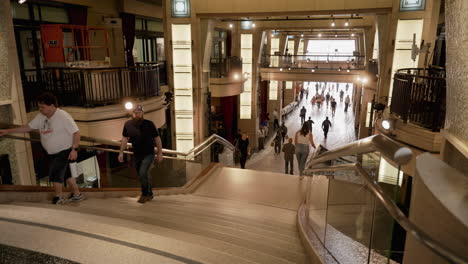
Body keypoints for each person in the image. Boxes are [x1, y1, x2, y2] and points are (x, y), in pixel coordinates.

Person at [0, 93, 83, 204]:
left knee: (55, 173)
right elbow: (28, 128)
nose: (40, 109)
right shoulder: (41, 117)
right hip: (51, 152)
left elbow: (76, 133)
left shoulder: (63, 116)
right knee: (67, 175)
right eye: (39, 106)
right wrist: (8, 131)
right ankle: (77, 194)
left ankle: (58, 197)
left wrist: (74, 149)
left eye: (42, 107)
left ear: (52, 105)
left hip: (64, 151)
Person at [118, 105, 163, 203]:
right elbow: (125, 139)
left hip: (149, 154)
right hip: (137, 154)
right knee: (142, 175)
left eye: (139, 112)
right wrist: (121, 153)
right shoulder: (128, 124)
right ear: (132, 113)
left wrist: (160, 153)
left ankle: (144, 194)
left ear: (143, 113)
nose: (137, 114)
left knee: (143, 173)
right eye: (135, 112)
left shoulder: (149, 124)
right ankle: (150, 194)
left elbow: (157, 138)